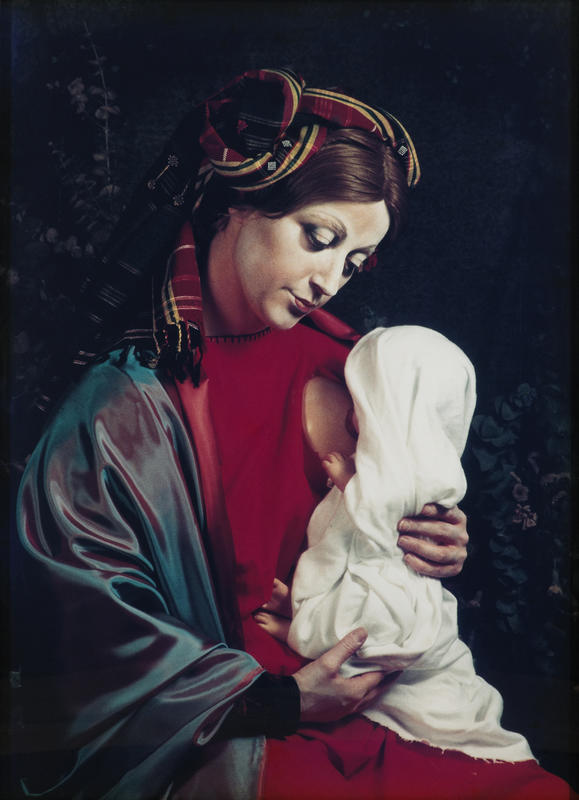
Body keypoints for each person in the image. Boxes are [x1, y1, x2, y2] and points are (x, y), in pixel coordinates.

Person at [13, 69, 574, 799]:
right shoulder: (125, 406)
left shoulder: (354, 370)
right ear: (236, 204)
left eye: (353, 261)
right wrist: (281, 700)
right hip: (237, 727)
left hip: (383, 703)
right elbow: (84, 628)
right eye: (319, 238)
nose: (330, 279)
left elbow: (381, 539)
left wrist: (430, 536)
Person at [256, 325, 533, 763]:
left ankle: (300, 632)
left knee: (355, 627)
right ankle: (302, 617)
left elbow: (386, 518)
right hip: (359, 564)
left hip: (382, 581)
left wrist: (348, 481)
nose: (353, 415)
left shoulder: (410, 471)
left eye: (364, 404)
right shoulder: (398, 455)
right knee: (335, 596)